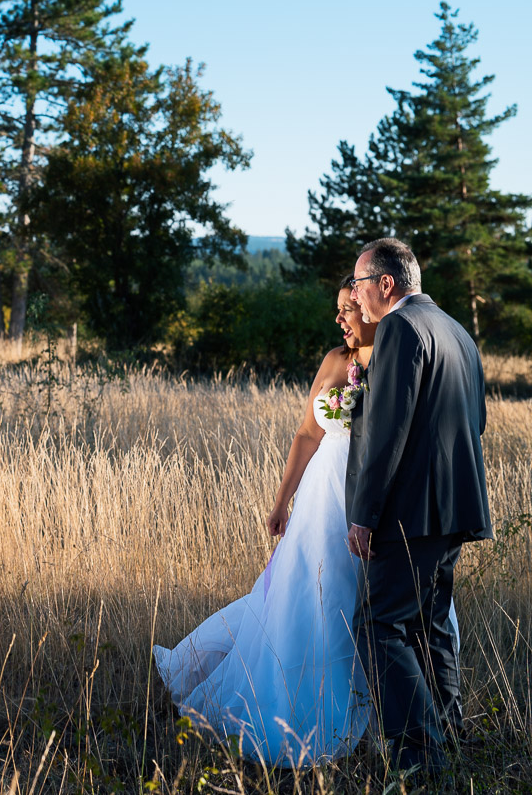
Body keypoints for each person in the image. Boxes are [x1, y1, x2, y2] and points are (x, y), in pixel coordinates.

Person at [153, 278, 377, 766]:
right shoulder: (334, 361)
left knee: (351, 600)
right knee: (302, 596)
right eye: (337, 309)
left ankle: (358, 709)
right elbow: (307, 434)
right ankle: (292, 701)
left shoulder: (389, 360)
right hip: (320, 499)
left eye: (347, 308)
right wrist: (281, 501)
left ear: (370, 307)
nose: (339, 318)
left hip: (363, 496)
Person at [346, 238, 491, 773]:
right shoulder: (456, 331)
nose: (356, 297)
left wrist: (365, 514)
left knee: (379, 625)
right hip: (454, 506)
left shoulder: (400, 328)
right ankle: (449, 737)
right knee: (431, 626)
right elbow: (477, 421)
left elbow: (387, 431)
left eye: (359, 284)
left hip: (409, 511)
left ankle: (420, 754)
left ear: (386, 284)